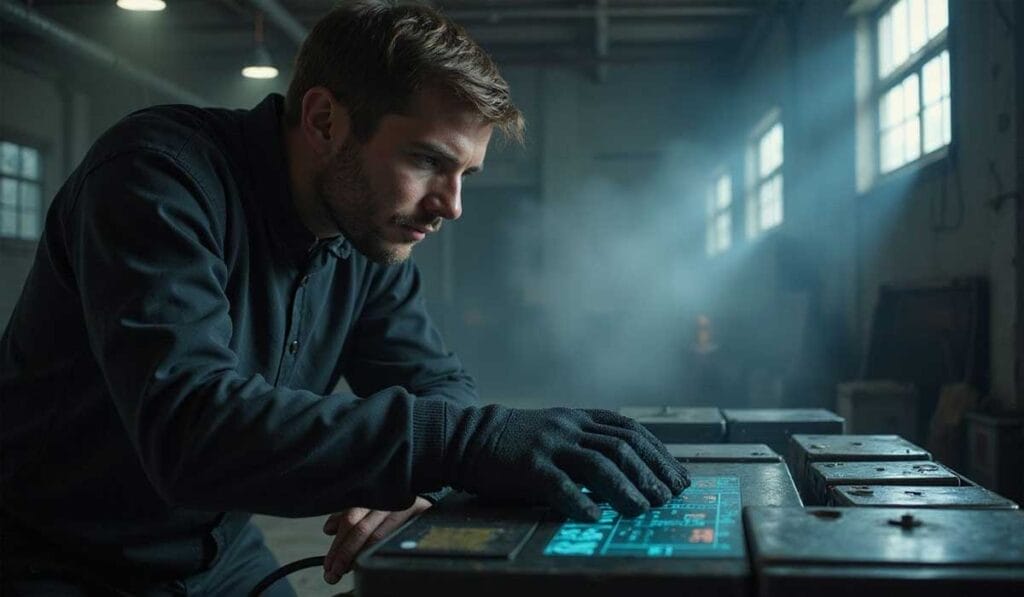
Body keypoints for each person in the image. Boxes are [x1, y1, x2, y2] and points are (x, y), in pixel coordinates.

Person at [0, 1, 690, 594]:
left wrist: (420, 471)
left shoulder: (366, 237)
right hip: (57, 554)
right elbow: (191, 430)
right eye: (427, 160)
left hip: (215, 554)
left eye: (466, 174)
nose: (450, 206)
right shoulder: (157, 178)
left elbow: (437, 383)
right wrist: (458, 445)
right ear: (326, 120)